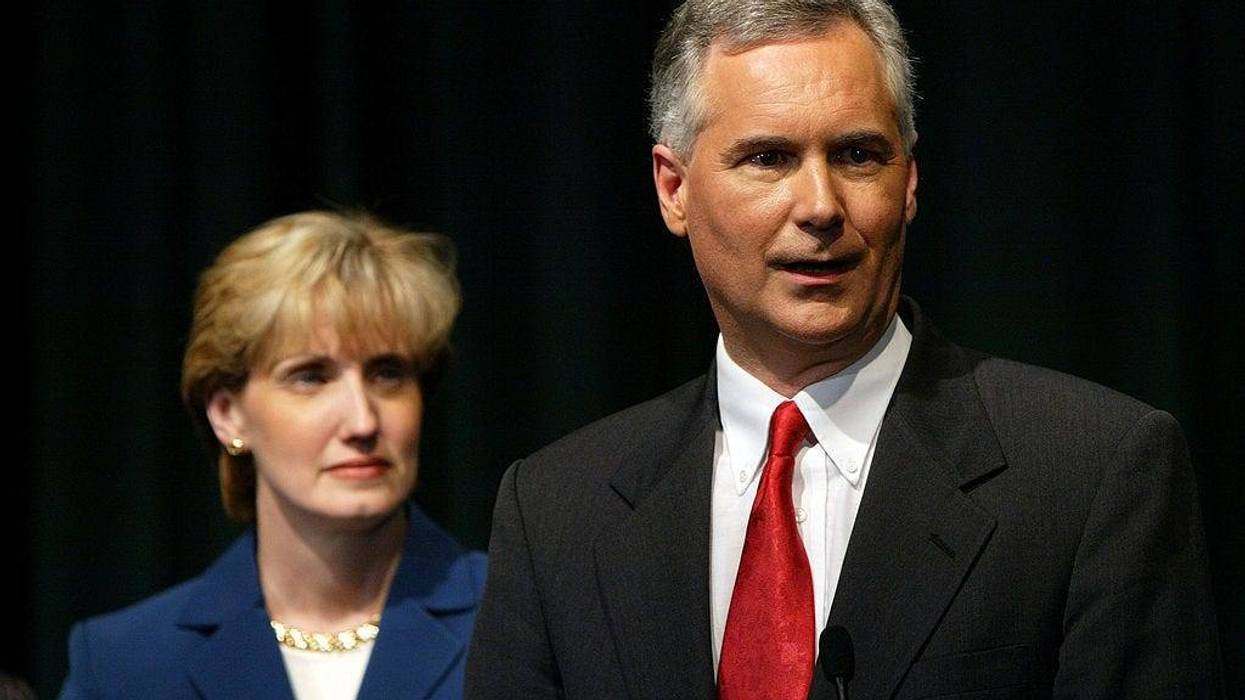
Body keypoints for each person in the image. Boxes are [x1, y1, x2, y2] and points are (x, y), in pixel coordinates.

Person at [465, 1, 1223, 697]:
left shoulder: (1092, 472)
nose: (821, 206)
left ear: (910, 181)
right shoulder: (556, 510)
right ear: (674, 189)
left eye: (858, 154)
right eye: (767, 158)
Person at [61, 211, 485, 699]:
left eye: (387, 373)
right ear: (227, 414)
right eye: (310, 377)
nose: (363, 422)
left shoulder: (521, 619)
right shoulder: (126, 663)